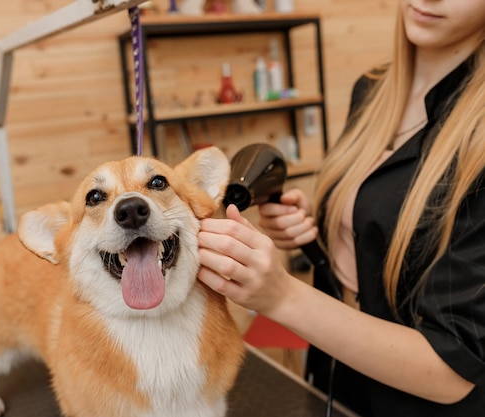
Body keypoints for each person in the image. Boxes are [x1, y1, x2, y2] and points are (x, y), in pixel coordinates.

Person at [197, 1, 485, 416]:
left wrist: (280, 296)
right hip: (341, 376)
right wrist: (322, 222)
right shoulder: (372, 89)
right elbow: (390, 214)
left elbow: (452, 369)